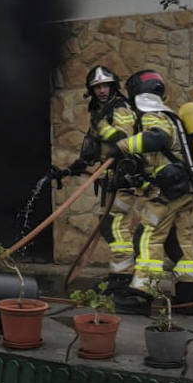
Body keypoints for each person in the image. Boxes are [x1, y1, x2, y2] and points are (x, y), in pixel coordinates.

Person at [109, 69, 193, 315]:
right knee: (180, 240)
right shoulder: (173, 115)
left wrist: (123, 145)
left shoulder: (153, 114)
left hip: (167, 192)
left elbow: (157, 139)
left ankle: (142, 294)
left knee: (147, 236)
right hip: (184, 189)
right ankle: (186, 295)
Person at [51, 65, 143, 293]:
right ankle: (120, 273)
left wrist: (101, 126)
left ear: (113, 86)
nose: (101, 91)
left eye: (105, 86)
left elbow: (123, 137)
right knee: (109, 225)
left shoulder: (120, 107)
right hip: (110, 179)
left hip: (124, 178)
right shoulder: (99, 111)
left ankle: (122, 277)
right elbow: (91, 150)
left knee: (114, 225)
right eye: (97, 87)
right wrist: (70, 169)